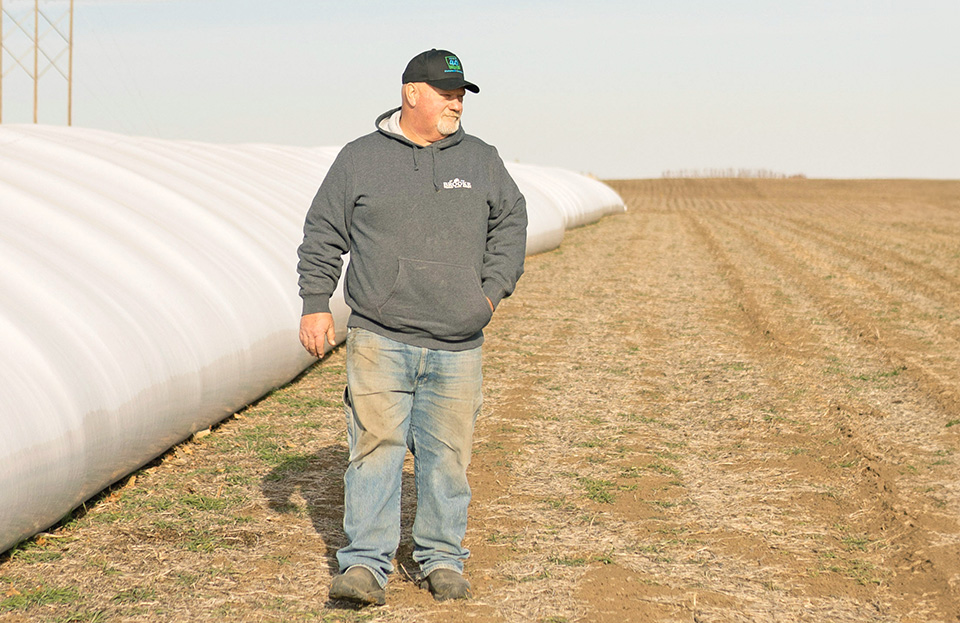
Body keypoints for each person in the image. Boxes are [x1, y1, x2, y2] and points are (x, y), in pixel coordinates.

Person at [296, 48, 527, 606]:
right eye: (446, 93)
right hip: (381, 334)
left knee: (447, 455)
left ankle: (440, 558)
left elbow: (512, 222)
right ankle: (366, 566)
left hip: (457, 339)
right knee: (375, 449)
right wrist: (315, 301)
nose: (456, 103)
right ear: (411, 93)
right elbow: (324, 230)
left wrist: (488, 295)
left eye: (461, 95)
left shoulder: (481, 159)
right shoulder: (360, 158)